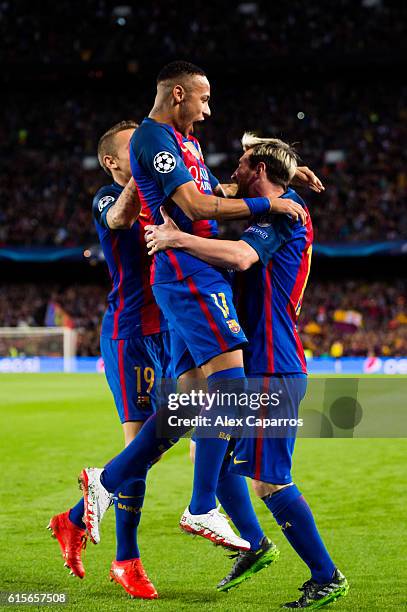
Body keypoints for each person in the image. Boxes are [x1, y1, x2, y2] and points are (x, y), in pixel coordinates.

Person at [80, 61, 317, 558]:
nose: (209, 111)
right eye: (204, 100)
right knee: (229, 384)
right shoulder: (154, 141)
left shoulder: (185, 143)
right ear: (180, 94)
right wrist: (268, 205)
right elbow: (199, 206)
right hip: (187, 274)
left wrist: (284, 178)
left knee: (186, 405)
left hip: (186, 276)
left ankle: (107, 480)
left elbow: (214, 193)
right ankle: (201, 504)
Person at [145, 133, 349, 608]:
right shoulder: (271, 202)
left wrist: (177, 238)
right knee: (207, 459)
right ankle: (256, 547)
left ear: (257, 168)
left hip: (272, 370)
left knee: (270, 480)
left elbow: (241, 256)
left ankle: (326, 575)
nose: (231, 170)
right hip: (253, 367)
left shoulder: (285, 213)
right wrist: (289, 165)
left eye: (241, 163)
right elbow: (245, 163)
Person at [48, 120, 172, 599]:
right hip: (129, 336)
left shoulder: (162, 192)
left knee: (165, 434)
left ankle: (75, 517)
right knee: (140, 445)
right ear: (113, 161)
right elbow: (121, 218)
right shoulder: (107, 195)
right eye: (133, 149)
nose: (143, 154)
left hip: (167, 332)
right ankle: (126, 560)